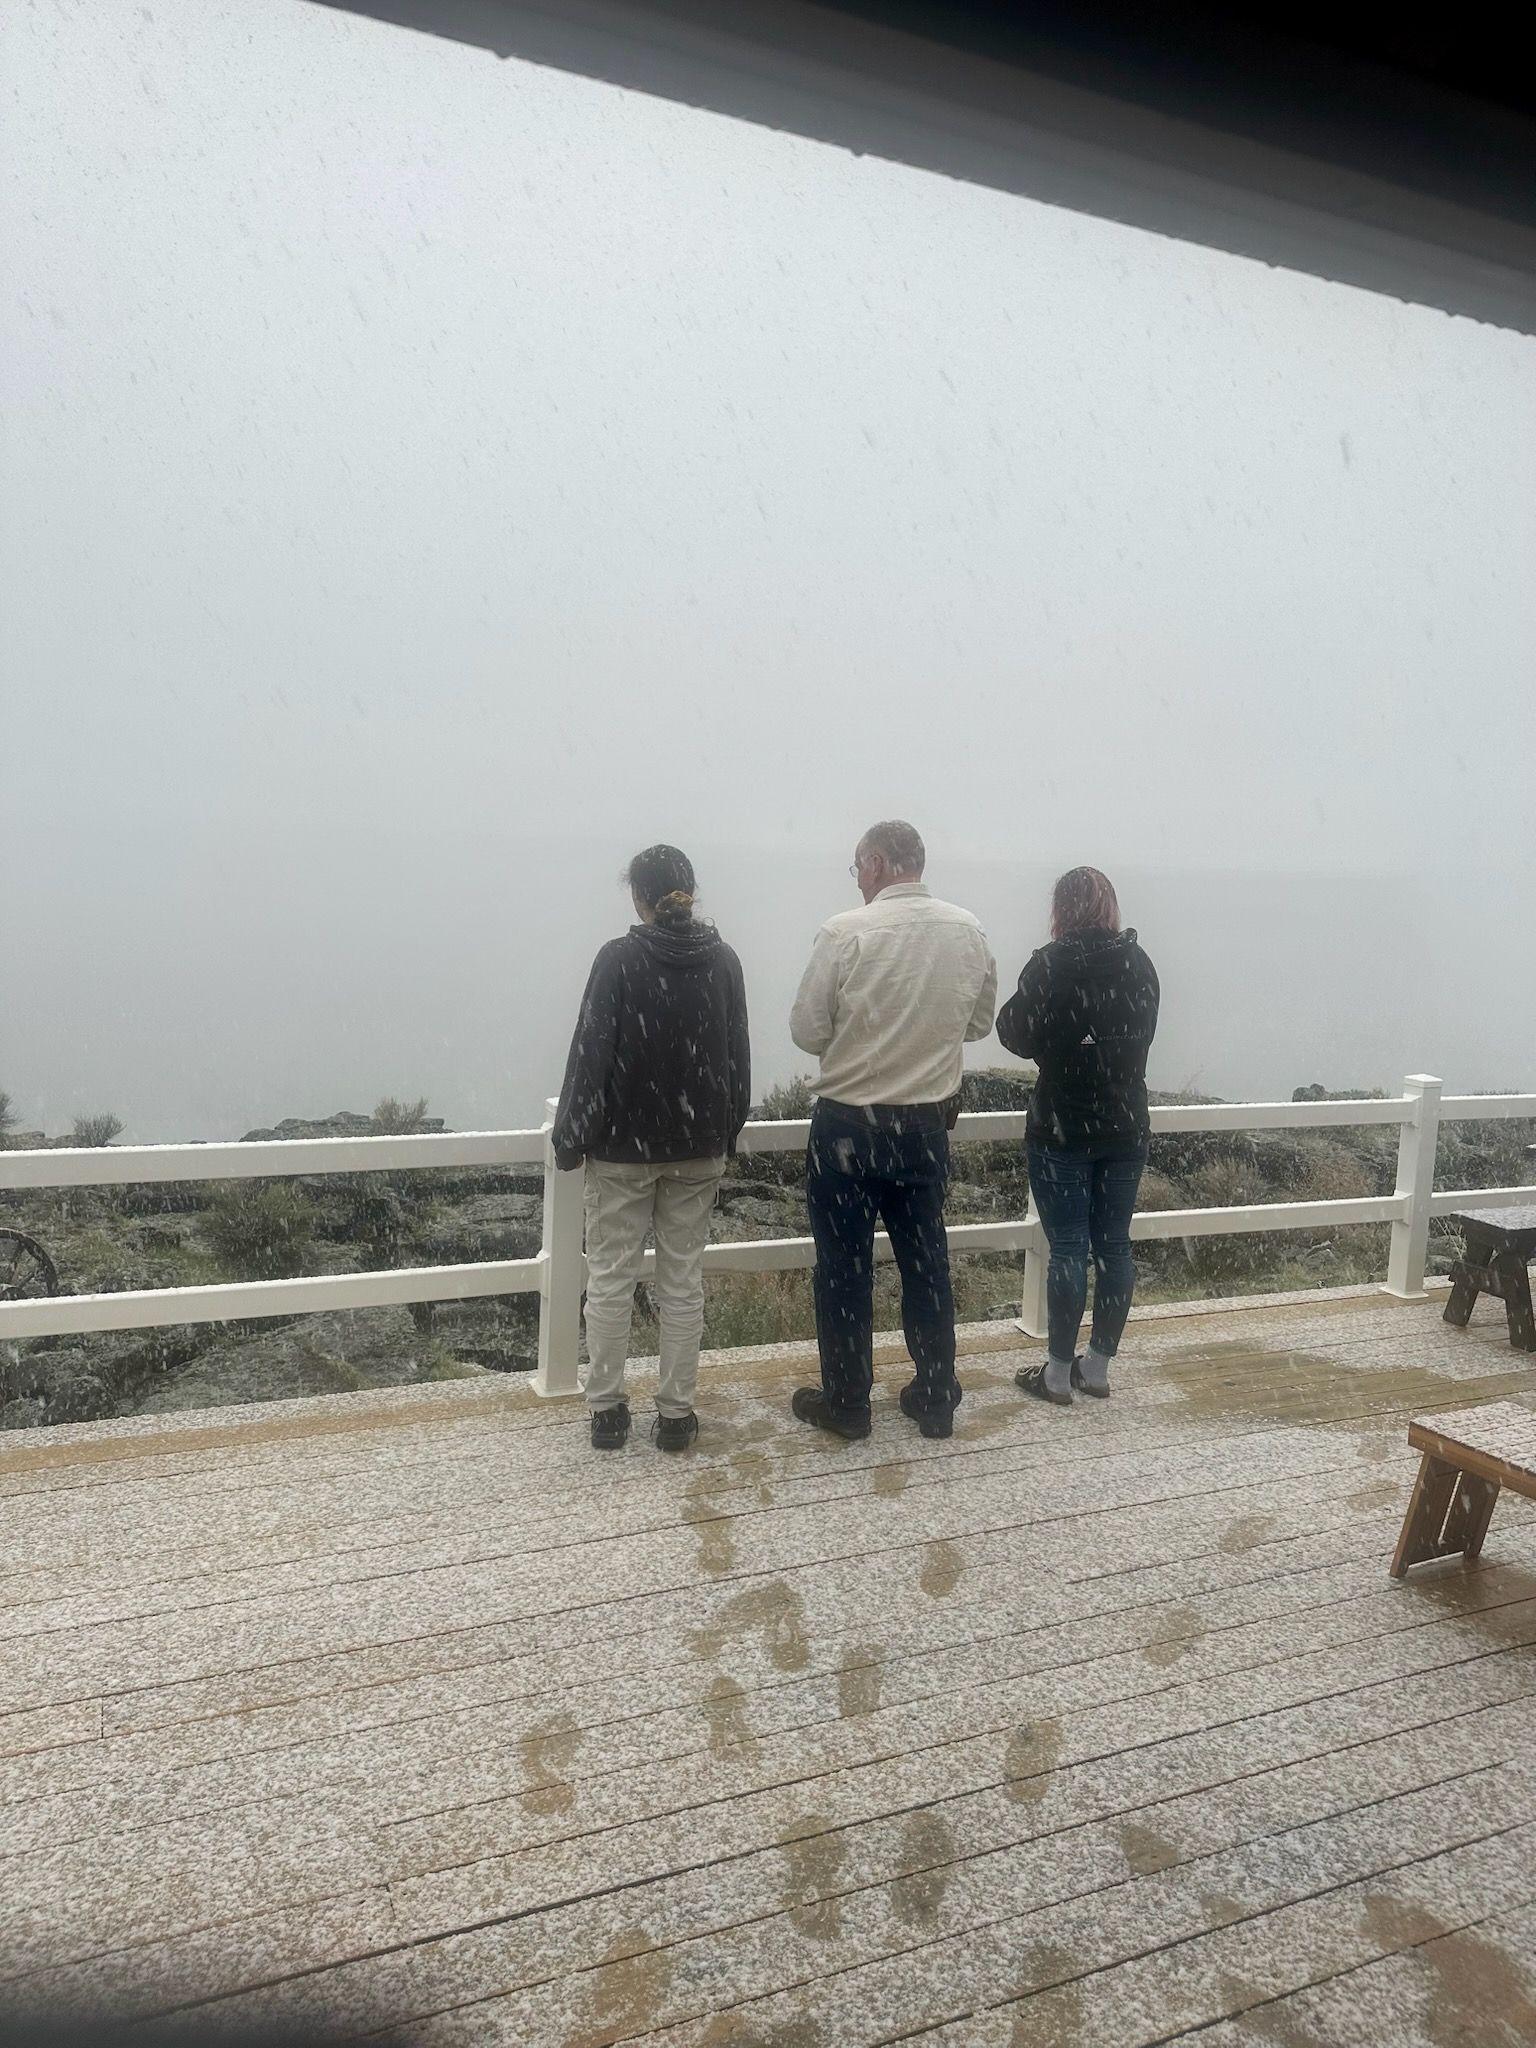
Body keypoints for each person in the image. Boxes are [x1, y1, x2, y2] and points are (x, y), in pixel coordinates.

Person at [788, 821, 997, 1441]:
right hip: (924, 1126)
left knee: (844, 1269)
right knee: (925, 1262)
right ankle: (935, 1395)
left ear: (876, 862)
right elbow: (978, 1023)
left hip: (849, 1125)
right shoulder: (968, 930)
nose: (856, 878)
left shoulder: (844, 933)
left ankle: (849, 1403)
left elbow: (807, 1032)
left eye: (857, 866)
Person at [552, 845, 750, 1452]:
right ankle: (675, 1416)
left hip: (621, 1151)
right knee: (682, 1281)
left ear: (638, 897)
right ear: (691, 891)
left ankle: (609, 1413)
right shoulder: (723, 961)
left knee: (611, 1278)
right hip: (697, 1148)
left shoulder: (618, 960)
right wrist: (726, 1131)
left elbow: (592, 1056)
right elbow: (737, 1061)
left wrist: (571, 1138)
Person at [996, 866, 1159, 1406]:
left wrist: (1063, 1042)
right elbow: (1143, 1034)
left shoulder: (1049, 966)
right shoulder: (1139, 964)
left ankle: (1058, 1375)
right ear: (1110, 906)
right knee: (1113, 1246)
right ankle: (1099, 1367)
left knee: (1067, 1247)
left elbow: (1013, 1034)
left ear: (1061, 910)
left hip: (1062, 1127)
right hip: (1125, 1124)